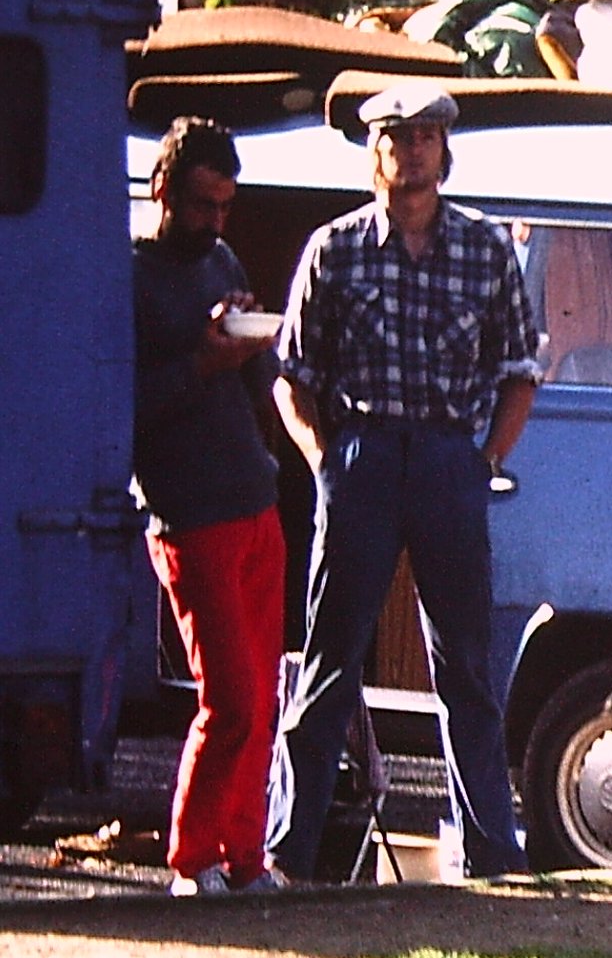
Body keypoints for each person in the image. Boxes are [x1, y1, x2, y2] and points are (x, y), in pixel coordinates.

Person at [270, 83, 539, 880]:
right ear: (373, 152)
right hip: (362, 456)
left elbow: (521, 371)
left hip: (452, 460)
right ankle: (292, 852)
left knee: (466, 665)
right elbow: (292, 376)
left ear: (444, 152)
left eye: (424, 136)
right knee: (331, 657)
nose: (411, 149)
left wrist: (484, 460)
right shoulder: (334, 248)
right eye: (395, 136)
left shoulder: (486, 248)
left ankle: (491, 850)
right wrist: (327, 460)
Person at [133, 118, 288, 897]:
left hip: (254, 499)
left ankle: (247, 857)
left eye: (226, 206)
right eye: (202, 204)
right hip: (189, 515)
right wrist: (202, 358)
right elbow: (120, 411)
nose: (215, 222)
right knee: (227, 696)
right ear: (164, 189)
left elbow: (255, 381)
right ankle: (193, 860)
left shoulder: (221, 258)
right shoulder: (128, 276)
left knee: (262, 698)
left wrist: (250, 349)